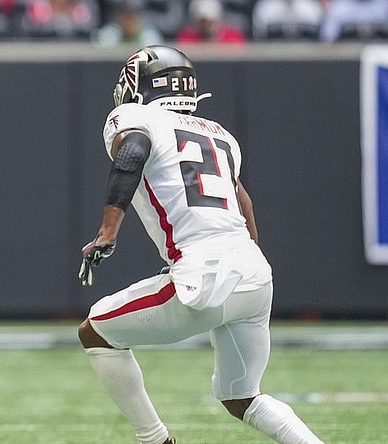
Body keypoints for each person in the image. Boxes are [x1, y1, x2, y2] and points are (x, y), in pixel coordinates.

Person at [76, 45, 324, 444]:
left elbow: (133, 151)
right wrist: (244, 254)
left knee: (96, 331)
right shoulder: (219, 134)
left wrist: (108, 232)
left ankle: (155, 440)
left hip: (206, 276)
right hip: (253, 274)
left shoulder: (137, 119)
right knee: (242, 397)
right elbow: (242, 198)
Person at [94, 2, 164, 48]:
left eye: (133, 17)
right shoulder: (109, 34)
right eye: (127, 18)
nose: (130, 23)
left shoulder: (149, 35)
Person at [175, 0, 247, 43]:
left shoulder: (233, 38)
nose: (206, 27)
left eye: (210, 23)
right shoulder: (186, 38)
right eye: (203, 22)